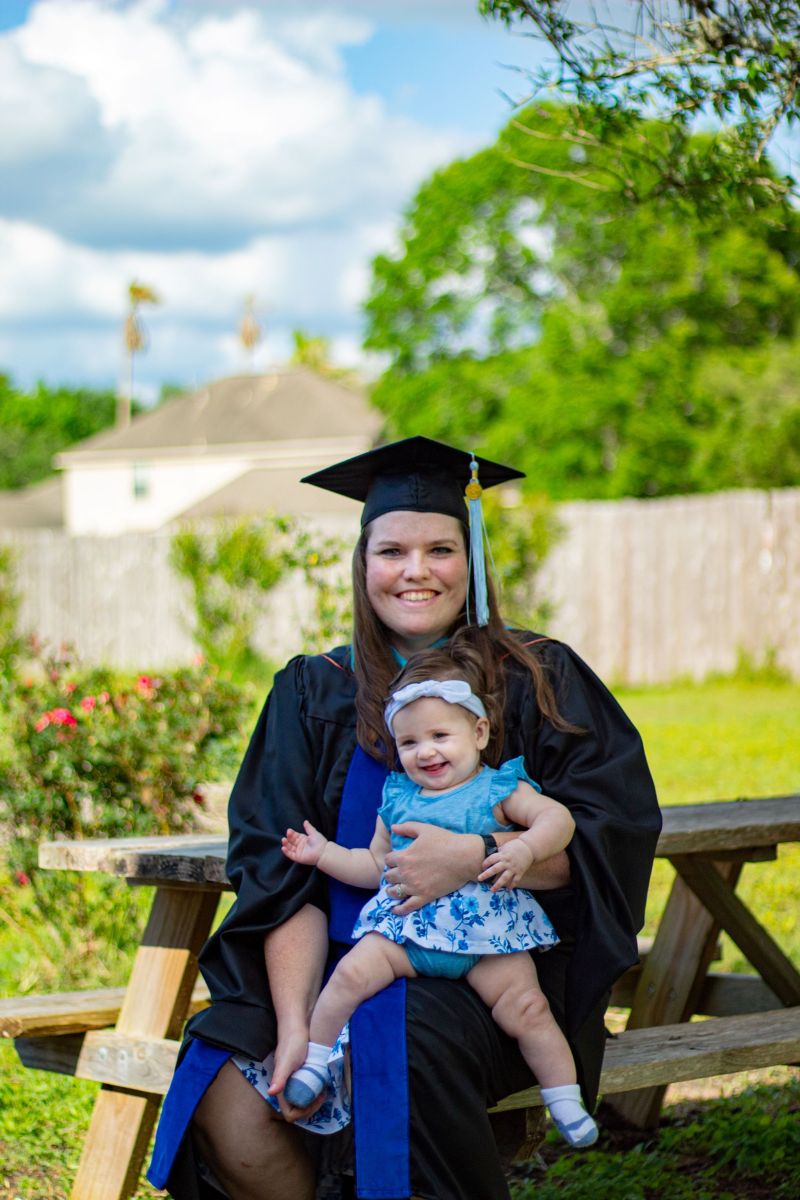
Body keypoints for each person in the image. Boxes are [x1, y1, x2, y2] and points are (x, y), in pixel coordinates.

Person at [148, 435, 661, 1200]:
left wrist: (476, 853)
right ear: (363, 566)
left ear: (472, 558)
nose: (416, 571)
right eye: (391, 551)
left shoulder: (540, 677)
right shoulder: (309, 691)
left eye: (440, 549)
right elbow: (281, 871)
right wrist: (298, 1027)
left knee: (401, 1038)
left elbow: (605, 835)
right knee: (227, 1078)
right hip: (327, 963)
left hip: (489, 971)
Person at [281, 636, 599, 1149]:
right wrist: (323, 855)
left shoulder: (497, 788)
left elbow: (557, 819)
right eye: (409, 743)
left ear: (478, 731)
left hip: (488, 937)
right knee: (348, 977)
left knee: (528, 1009)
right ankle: (316, 1061)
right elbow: (375, 864)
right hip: (409, 931)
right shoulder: (398, 797)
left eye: (440, 735)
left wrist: (523, 850)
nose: (425, 751)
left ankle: (564, 1095)